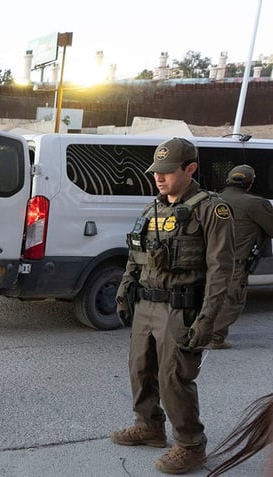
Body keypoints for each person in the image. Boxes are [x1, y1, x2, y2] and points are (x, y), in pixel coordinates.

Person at [111, 137, 234, 474]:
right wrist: (125, 290)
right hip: (147, 304)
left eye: (166, 171)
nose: (159, 177)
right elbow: (136, 255)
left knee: (173, 378)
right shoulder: (153, 208)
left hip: (182, 308)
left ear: (190, 168)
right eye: (156, 172)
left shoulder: (211, 209)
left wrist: (208, 319)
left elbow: (221, 270)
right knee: (140, 369)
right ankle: (149, 426)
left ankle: (191, 445)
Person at [212, 165, 273, 349]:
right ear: (250, 182)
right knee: (232, 301)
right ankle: (214, 337)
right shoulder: (255, 203)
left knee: (211, 297)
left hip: (209, 259)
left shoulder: (212, 199)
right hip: (235, 261)